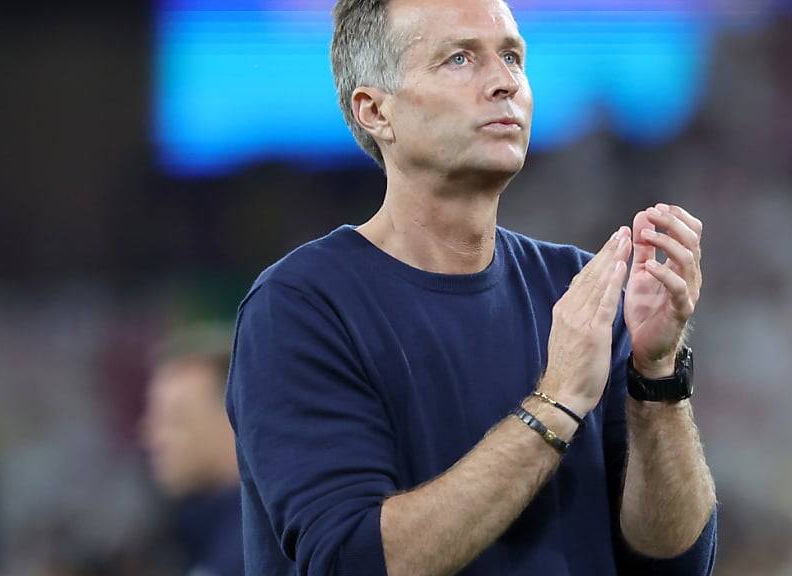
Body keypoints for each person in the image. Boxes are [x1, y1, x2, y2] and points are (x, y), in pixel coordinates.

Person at [226, 0, 719, 574]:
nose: (504, 82)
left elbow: (676, 563)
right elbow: (351, 560)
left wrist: (656, 377)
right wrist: (556, 403)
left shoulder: (581, 290)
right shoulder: (301, 308)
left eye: (512, 57)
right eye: (460, 58)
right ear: (375, 111)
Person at [143, 324, 244, 576]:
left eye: (174, 419)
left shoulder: (260, 547)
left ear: (231, 418)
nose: (151, 437)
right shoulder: (205, 528)